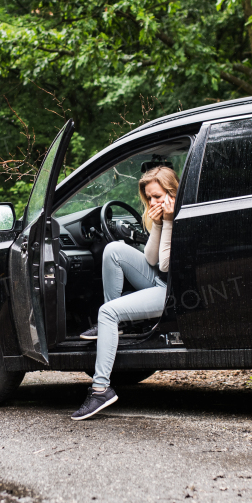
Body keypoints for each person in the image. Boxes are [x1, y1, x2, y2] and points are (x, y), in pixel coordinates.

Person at [70, 164, 177, 421]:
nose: (152, 202)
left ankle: (100, 389)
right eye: (149, 197)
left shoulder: (183, 215)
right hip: (160, 280)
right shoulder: (161, 215)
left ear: (172, 193)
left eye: (158, 197)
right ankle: (113, 327)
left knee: (106, 312)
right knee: (114, 249)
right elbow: (151, 259)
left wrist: (170, 221)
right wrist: (159, 223)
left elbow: (165, 264)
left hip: (174, 293)